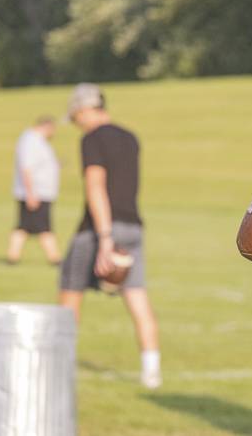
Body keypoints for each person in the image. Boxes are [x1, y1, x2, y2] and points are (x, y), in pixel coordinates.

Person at [59, 83, 161, 389]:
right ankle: (151, 371)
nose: (76, 123)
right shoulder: (130, 138)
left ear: (85, 109)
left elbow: (95, 186)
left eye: (76, 116)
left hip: (99, 228)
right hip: (133, 226)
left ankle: (60, 364)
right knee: (137, 294)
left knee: (69, 292)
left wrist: (104, 238)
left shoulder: (92, 139)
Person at [7, 115, 61, 265]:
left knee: (23, 227)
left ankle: (13, 256)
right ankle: (55, 258)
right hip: (36, 192)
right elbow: (26, 169)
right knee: (44, 227)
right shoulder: (31, 141)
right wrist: (30, 193)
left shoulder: (38, 141)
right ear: (48, 127)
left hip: (39, 192)